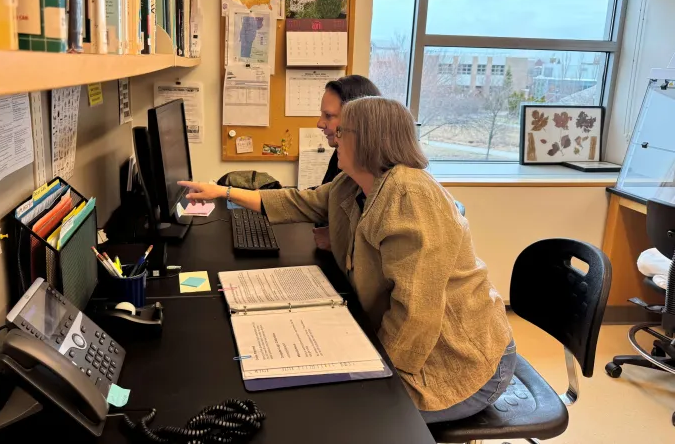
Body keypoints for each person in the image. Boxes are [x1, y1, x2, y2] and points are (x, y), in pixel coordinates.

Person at [179, 97, 515, 422]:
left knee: (348, 415)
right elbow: (298, 201)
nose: (333, 138)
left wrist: (378, 383)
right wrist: (223, 191)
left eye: (342, 132)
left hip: (457, 361)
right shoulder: (352, 184)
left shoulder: (410, 195)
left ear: (369, 140)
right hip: (413, 342)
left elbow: (417, 311)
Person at [313, 75, 380, 250]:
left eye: (328, 116)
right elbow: (326, 199)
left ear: (358, 118)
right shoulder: (341, 153)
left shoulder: (386, 178)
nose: (320, 123)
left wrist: (338, 238)